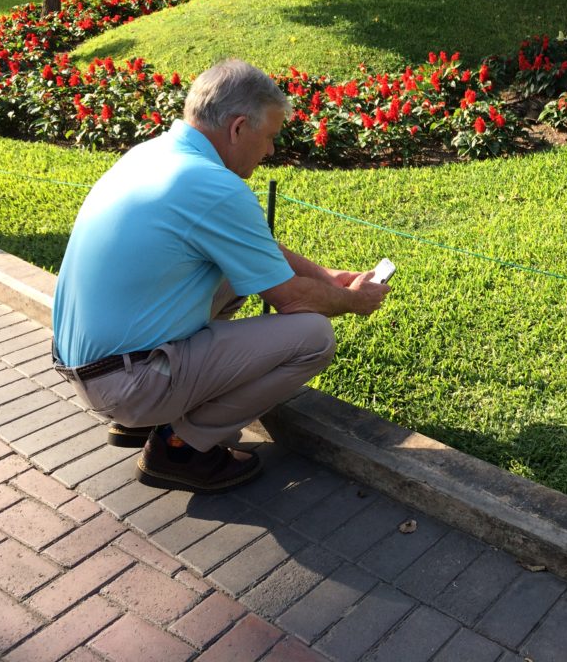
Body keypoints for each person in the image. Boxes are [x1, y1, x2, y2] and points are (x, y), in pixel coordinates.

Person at [51, 59, 391, 494]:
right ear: (237, 129)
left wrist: (327, 276)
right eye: (268, 137)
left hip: (89, 367)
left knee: (230, 276)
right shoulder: (213, 186)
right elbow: (289, 299)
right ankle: (180, 446)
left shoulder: (154, 154)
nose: (269, 151)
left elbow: (253, 251)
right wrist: (354, 300)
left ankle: (149, 417)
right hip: (123, 385)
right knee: (313, 337)